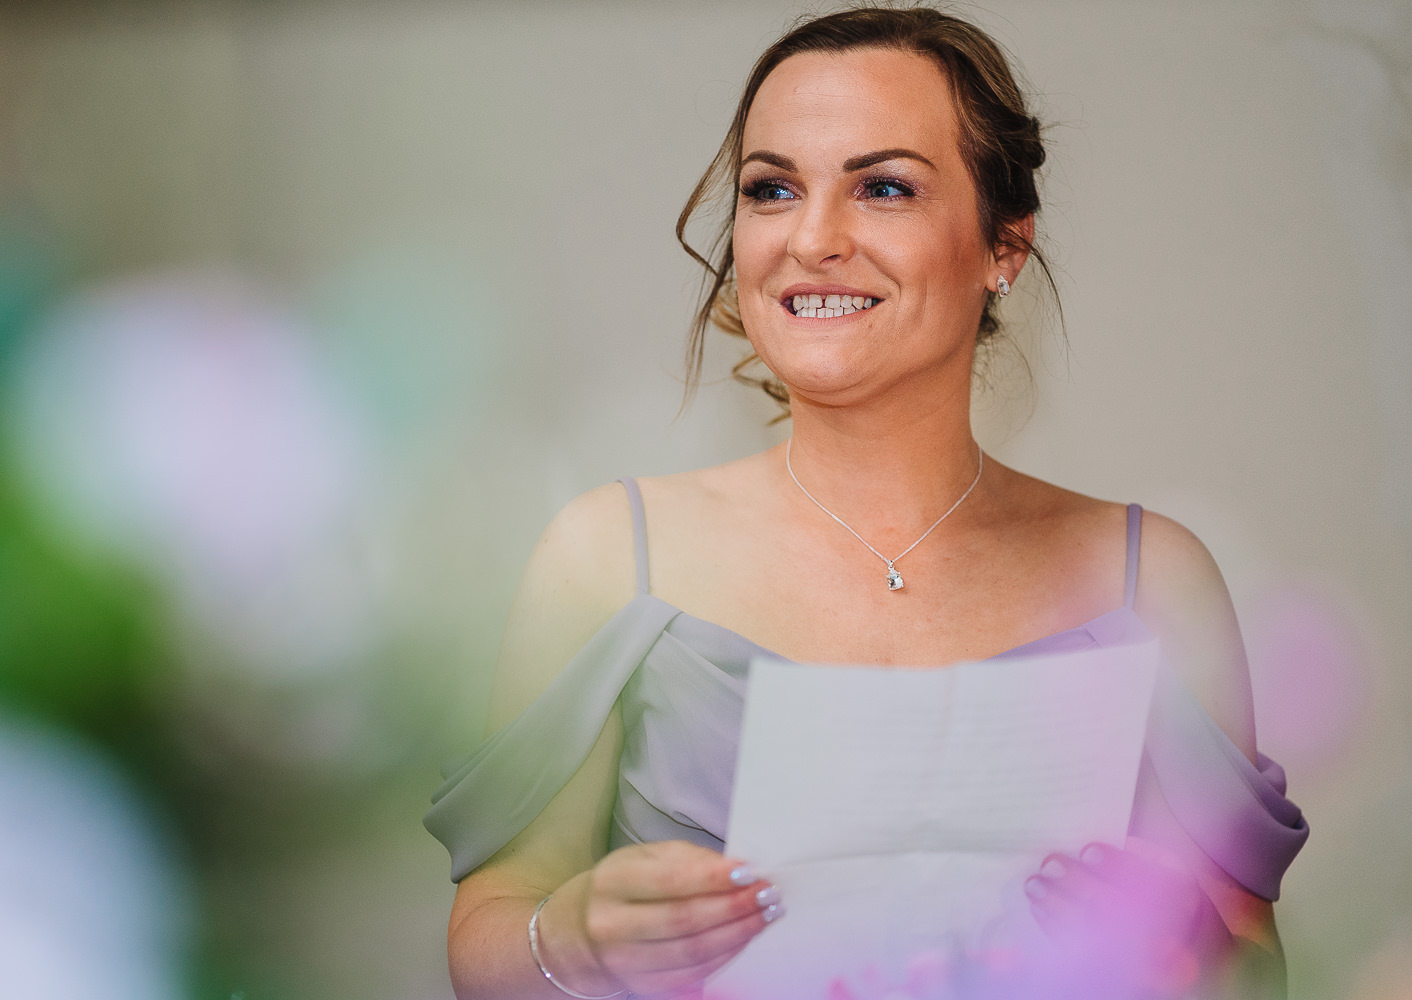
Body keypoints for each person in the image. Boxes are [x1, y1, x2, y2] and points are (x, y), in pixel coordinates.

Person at [426, 7, 1308, 999]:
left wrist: (1200, 949)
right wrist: (569, 939)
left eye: (882, 187)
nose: (811, 238)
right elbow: (486, 939)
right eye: (772, 189)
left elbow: (1257, 967)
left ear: (1002, 247)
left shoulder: (1153, 578)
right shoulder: (604, 556)